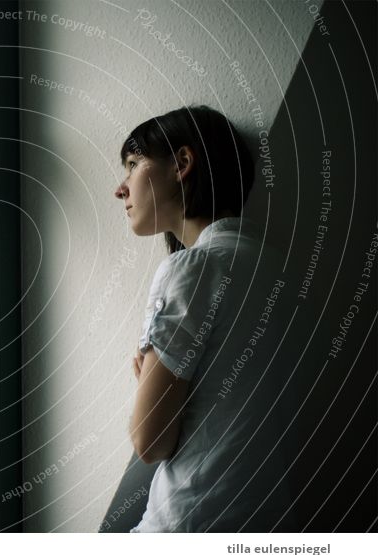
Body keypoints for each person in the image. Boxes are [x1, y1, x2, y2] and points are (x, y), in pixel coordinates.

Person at [112, 105, 298, 532]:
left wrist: (146, 381)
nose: (120, 189)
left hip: (190, 523)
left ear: (181, 163)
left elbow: (150, 442)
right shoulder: (280, 270)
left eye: (134, 164)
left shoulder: (192, 268)